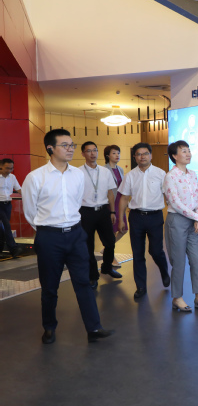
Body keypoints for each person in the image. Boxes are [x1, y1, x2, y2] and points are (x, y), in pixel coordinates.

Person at [22, 129, 114, 344]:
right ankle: (49, 327)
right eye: (65, 145)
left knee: (84, 282)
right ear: (50, 148)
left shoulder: (78, 175)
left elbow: (76, 203)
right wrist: (47, 229)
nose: (70, 149)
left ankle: (94, 327)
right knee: (50, 287)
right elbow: (30, 212)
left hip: (75, 234)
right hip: (49, 237)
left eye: (72, 145)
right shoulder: (35, 177)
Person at [117, 142, 170, 300]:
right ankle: (140, 287)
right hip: (136, 217)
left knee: (156, 251)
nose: (142, 157)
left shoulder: (161, 174)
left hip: (155, 217)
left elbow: (168, 196)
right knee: (138, 253)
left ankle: (164, 271)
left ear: (151, 155)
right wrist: (121, 219)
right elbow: (124, 198)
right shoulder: (130, 176)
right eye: (139, 154)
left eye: (145, 153)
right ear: (135, 157)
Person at [163, 140, 198, 312]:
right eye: (184, 151)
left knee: (196, 259)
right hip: (177, 221)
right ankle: (177, 298)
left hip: (193, 221)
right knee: (179, 262)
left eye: (189, 150)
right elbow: (175, 203)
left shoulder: (192, 174)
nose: (188, 154)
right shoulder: (170, 176)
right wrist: (197, 216)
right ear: (174, 156)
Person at [79, 141, 121, 289]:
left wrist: (112, 211)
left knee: (110, 242)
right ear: (83, 153)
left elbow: (110, 192)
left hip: (103, 211)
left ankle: (107, 267)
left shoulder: (105, 171)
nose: (92, 154)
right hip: (85, 212)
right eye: (89, 151)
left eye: (95, 150)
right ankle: (93, 276)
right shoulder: (78, 172)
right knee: (88, 246)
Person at [104, 144, 126, 267]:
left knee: (123, 229)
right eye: (114, 153)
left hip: (120, 202)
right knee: (112, 231)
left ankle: (107, 248)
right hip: (110, 203)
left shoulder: (120, 169)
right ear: (108, 155)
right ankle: (111, 256)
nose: (117, 155)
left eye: (118, 153)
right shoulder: (104, 169)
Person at [0, 158, 22, 258]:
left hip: (7, 204)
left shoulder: (12, 177)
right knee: (6, 225)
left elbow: (19, 189)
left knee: (3, 228)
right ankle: (13, 249)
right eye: (7, 168)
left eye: (11, 168)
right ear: (1, 166)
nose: (9, 170)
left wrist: (30, 197)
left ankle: (0, 249)